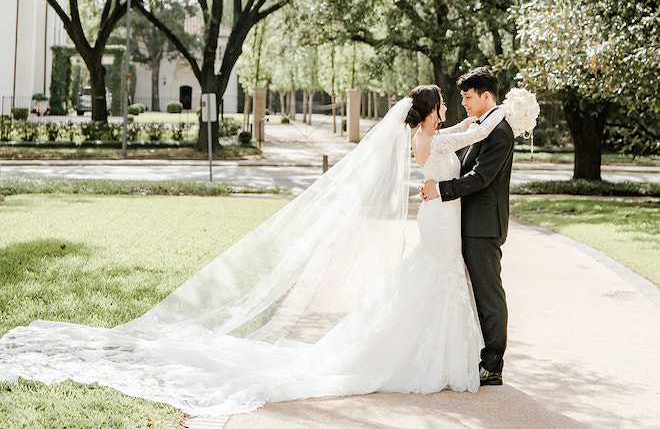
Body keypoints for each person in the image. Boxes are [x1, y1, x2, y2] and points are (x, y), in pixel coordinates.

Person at [0, 83, 530, 422]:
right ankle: (440, 357)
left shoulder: (436, 133)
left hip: (442, 215)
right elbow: (474, 132)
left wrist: (502, 113)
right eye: (446, 101)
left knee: (439, 279)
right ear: (432, 108)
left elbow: (472, 132)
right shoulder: (431, 141)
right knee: (435, 277)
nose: (454, 108)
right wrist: (508, 109)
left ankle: (450, 355)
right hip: (440, 216)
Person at [420, 67, 514, 387]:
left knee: (488, 295)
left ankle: (492, 364)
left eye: (469, 97)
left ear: (486, 96)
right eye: (460, 97)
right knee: (471, 294)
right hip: (465, 222)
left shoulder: (499, 131)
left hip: (484, 225)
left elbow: (481, 177)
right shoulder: (481, 125)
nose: (464, 103)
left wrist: (442, 191)